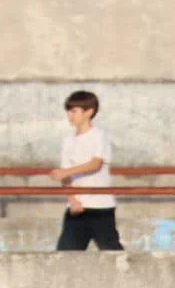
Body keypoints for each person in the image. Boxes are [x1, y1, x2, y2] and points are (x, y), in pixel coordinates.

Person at [49, 91, 122, 251]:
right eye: (69, 111)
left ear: (89, 112)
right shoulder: (68, 141)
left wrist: (66, 172)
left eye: (74, 111)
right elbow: (65, 174)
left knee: (112, 252)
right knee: (65, 254)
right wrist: (72, 199)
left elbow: (95, 163)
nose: (70, 115)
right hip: (76, 209)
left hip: (100, 207)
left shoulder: (99, 136)